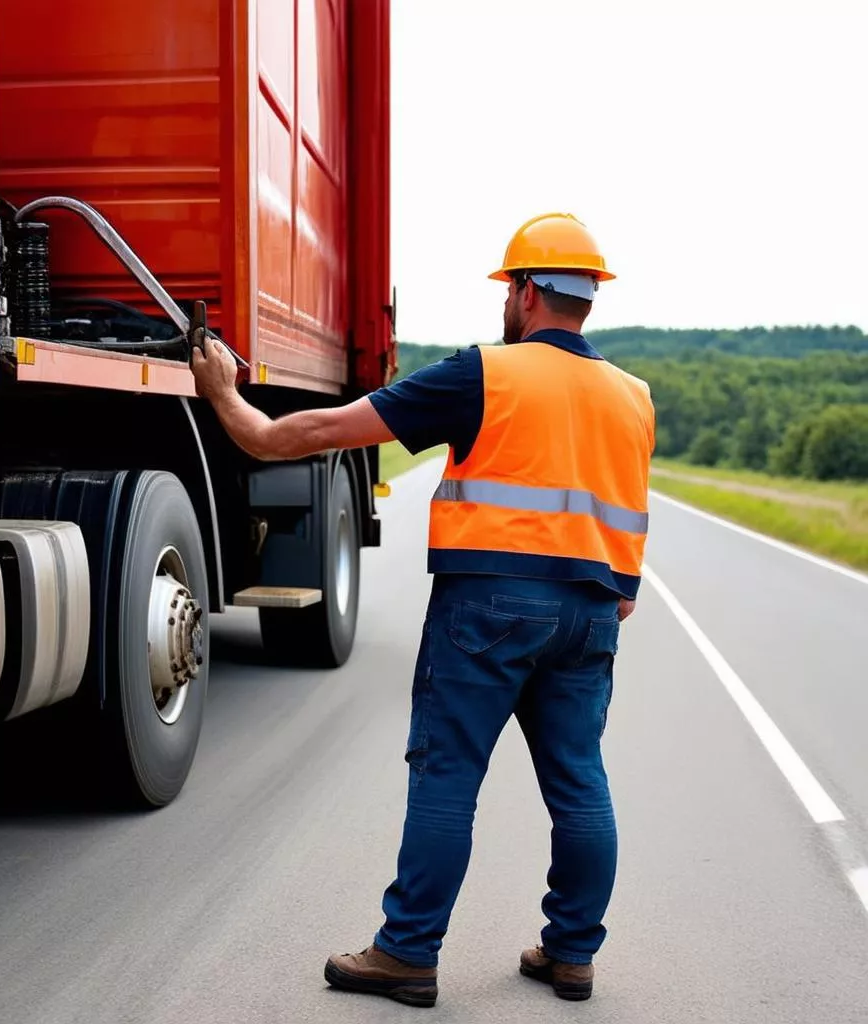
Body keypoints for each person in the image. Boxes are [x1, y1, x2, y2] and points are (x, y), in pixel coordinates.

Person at [191, 212, 656, 1009]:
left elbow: (314, 432)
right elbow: (626, 513)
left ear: (525, 292)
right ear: (589, 299)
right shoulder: (633, 396)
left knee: (447, 777)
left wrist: (231, 406)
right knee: (580, 783)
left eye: (510, 289)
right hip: (594, 611)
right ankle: (571, 954)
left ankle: (407, 953)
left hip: (489, 605)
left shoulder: (486, 373)